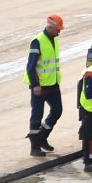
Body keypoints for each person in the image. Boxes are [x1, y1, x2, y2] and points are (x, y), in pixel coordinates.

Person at [25, 13, 64, 157]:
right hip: (40, 86)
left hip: (52, 84)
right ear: (50, 27)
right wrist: (35, 84)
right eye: (58, 29)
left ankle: (42, 137)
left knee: (57, 111)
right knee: (36, 115)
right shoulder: (38, 41)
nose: (59, 31)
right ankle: (34, 147)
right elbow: (31, 66)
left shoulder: (54, 39)